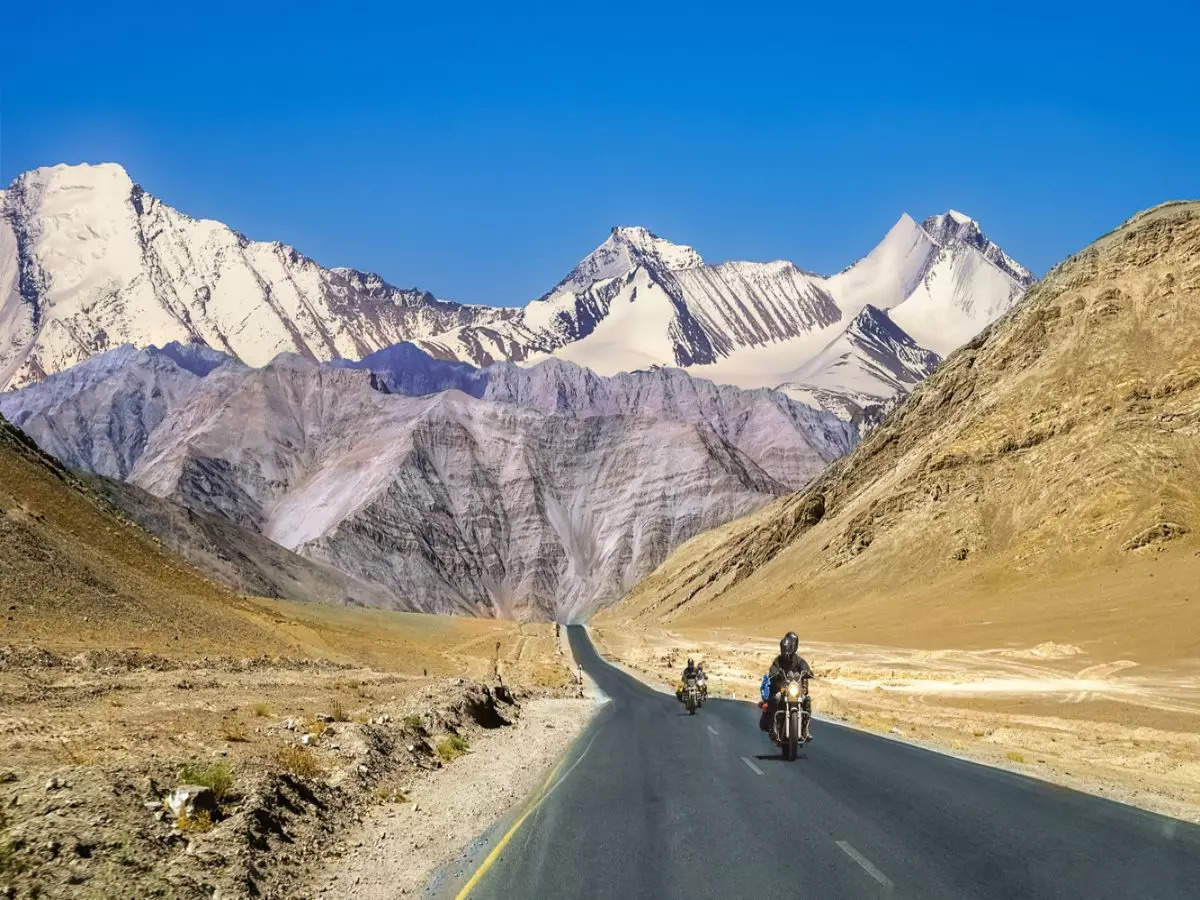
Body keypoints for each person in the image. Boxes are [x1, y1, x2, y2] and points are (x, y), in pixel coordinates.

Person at [759, 632, 814, 741]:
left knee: (806, 700)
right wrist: (775, 674)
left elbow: (806, 669)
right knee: (776, 698)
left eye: (788, 648)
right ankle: (773, 727)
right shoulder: (778, 660)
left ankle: (806, 729)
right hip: (782, 689)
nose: (786, 651)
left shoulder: (799, 661)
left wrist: (807, 673)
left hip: (796, 691)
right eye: (784, 649)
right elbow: (772, 671)